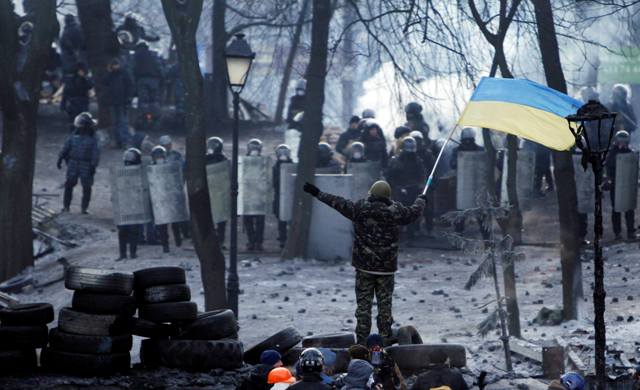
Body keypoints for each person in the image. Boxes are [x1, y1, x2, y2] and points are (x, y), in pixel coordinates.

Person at [303, 180, 426, 344]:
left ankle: (361, 341)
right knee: (385, 307)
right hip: (386, 270)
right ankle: (385, 338)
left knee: (363, 307)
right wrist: (421, 200)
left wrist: (317, 193)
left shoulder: (360, 209)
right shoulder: (397, 211)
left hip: (364, 268)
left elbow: (338, 203)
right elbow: (413, 212)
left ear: (371, 194)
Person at [58, 112, 100, 214]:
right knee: (69, 184)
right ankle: (66, 206)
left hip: (86, 163)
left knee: (86, 186)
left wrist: (93, 166)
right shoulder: (74, 136)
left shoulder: (93, 139)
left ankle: (84, 208)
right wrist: (60, 157)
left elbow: (95, 153)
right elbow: (66, 147)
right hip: (73, 162)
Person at [386, 137, 427, 241]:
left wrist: (420, 186)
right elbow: (390, 177)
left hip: (413, 190)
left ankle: (410, 235)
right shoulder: (396, 161)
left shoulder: (417, 161)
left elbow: (422, 175)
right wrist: (397, 187)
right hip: (399, 190)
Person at [605, 130, 637, 240]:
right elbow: (609, 167)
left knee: (629, 209)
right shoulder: (612, 154)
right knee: (616, 209)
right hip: (616, 186)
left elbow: (634, 168)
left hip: (627, 186)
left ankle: (630, 231)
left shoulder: (631, 153)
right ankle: (617, 233)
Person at [159, 135, 190, 242]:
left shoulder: (176, 156)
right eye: (164, 145)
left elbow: (183, 168)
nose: (166, 147)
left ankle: (182, 234)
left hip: (176, 187)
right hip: (163, 188)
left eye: (167, 145)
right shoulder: (158, 155)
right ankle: (166, 239)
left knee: (178, 213)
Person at [117, 148, 144, 260]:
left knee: (133, 231)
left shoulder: (141, 174)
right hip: (124, 204)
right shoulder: (120, 173)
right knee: (123, 231)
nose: (128, 164)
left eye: (130, 162)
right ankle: (123, 254)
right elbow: (116, 188)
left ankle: (132, 253)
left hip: (135, 204)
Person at [101, 58, 134, 148]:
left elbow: (129, 86)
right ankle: (119, 141)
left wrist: (128, 98)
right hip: (114, 102)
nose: (115, 67)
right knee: (116, 122)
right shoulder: (113, 74)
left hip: (121, 102)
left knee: (122, 122)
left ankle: (124, 141)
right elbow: (104, 82)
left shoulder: (124, 74)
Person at [410, 131, 435, 236]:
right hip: (414, 184)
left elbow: (433, 169)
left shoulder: (427, 154)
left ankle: (429, 229)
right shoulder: (411, 154)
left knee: (428, 209)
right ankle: (415, 229)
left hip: (426, 184)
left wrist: (432, 184)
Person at [206, 136, 229, 246]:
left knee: (221, 219)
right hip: (209, 192)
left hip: (220, 192)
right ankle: (213, 241)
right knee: (209, 219)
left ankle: (220, 241)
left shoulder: (223, 159)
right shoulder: (205, 159)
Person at [244, 139, 266, 251]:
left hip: (259, 194)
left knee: (260, 220)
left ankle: (258, 242)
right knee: (248, 220)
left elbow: (267, 177)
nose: (254, 150)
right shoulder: (243, 161)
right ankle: (252, 241)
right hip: (247, 194)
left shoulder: (264, 162)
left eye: (256, 148)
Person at [273, 144, 293, 249]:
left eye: (285, 152)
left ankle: (289, 239)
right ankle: (282, 238)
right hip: (279, 195)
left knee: (290, 218)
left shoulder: (292, 165)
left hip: (290, 194)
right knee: (281, 219)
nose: (283, 155)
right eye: (281, 152)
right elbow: (274, 182)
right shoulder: (275, 166)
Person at [133, 42, 163, 114]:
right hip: (154, 80)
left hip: (142, 79)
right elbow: (160, 68)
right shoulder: (152, 54)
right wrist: (161, 79)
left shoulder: (137, 55)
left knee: (144, 100)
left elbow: (133, 68)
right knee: (154, 100)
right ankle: (156, 117)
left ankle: (144, 117)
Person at [60, 62, 93, 127]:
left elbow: (90, 86)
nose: (82, 72)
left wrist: (86, 78)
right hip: (73, 103)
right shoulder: (71, 80)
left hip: (83, 103)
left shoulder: (85, 79)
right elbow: (66, 92)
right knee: (73, 122)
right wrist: (63, 104)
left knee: (83, 122)